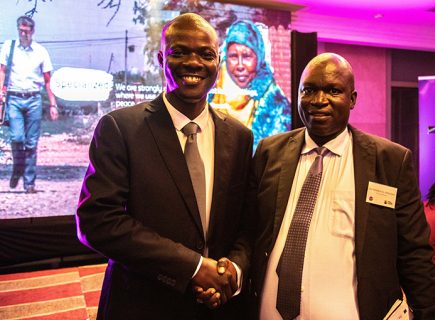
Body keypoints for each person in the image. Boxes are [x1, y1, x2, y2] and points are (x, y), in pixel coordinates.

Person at [76, 13, 253, 319]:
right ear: (161, 59)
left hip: (219, 307)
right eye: (180, 52)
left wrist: (232, 270)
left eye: (205, 54)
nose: (193, 62)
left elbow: (248, 222)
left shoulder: (240, 136)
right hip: (142, 305)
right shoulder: (120, 128)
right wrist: (194, 268)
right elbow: (98, 221)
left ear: (218, 61)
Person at [248, 52, 435, 319]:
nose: (319, 101)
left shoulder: (390, 162)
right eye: (309, 90)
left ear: (352, 99)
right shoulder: (269, 152)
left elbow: (414, 255)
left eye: (333, 90)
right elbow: (249, 232)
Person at [209, 20, 290, 150]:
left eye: (247, 56)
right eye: (234, 56)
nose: (240, 66)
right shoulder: (211, 89)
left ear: (259, 58)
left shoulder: (277, 106)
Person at [0, 16, 58, 193]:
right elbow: (2, 71)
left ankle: (29, 183)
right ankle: (18, 169)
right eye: (20, 30)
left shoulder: (41, 51)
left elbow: (48, 80)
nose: (23, 33)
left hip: (34, 99)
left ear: (32, 31)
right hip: (14, 98)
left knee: (31, 143)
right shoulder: (9, 47)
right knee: (17, 138)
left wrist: (53, 104)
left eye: (26, 30)